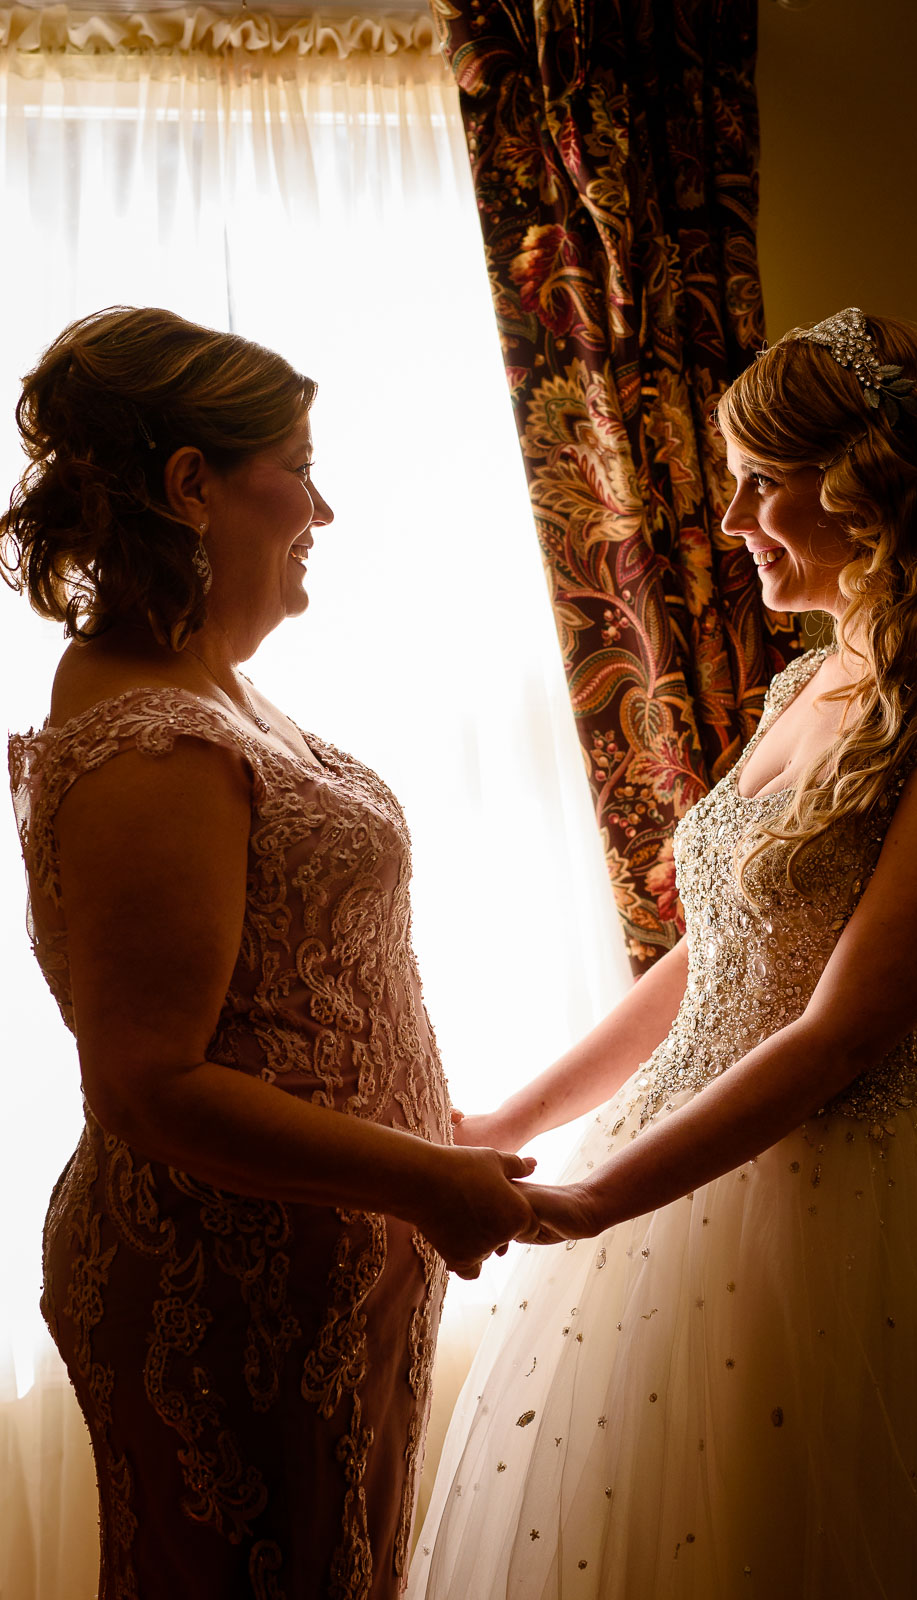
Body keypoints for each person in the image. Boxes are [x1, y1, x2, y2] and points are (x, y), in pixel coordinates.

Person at [410, 309, 917, 1599]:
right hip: (684, 1172)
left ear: (863, 481)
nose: (730, 524)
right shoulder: (800, 688)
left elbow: (836, 1038)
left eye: (760, 483)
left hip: (860, 1224)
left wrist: (597, 1200)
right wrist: (508, 1123)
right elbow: (702, 961)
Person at [3, 306, 538, 1600]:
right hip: (227, 1276)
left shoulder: (205, 688)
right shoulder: (151, 738)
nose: (324, 510)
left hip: (320, 1269)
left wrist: (433, 1150)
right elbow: (151, 1083)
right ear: (193, 482)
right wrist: (422, 1179)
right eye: (297, 465)